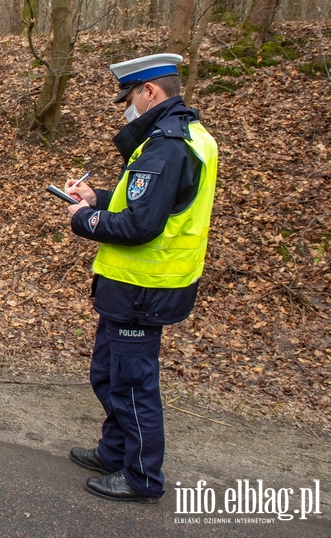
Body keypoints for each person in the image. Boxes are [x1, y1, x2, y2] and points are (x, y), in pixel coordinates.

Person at [63, 53, 219, 503]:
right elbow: (149, 203)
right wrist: (99, 196)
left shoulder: (167, 144)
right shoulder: (183, 136)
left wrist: (85, 218)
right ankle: (114, 452)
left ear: (149, 91)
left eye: (128, 98)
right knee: (108, 374)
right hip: (133, 287)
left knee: (132, 384)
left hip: (143, 289)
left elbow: (139, 226)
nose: (127, 109)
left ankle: (141, 478)